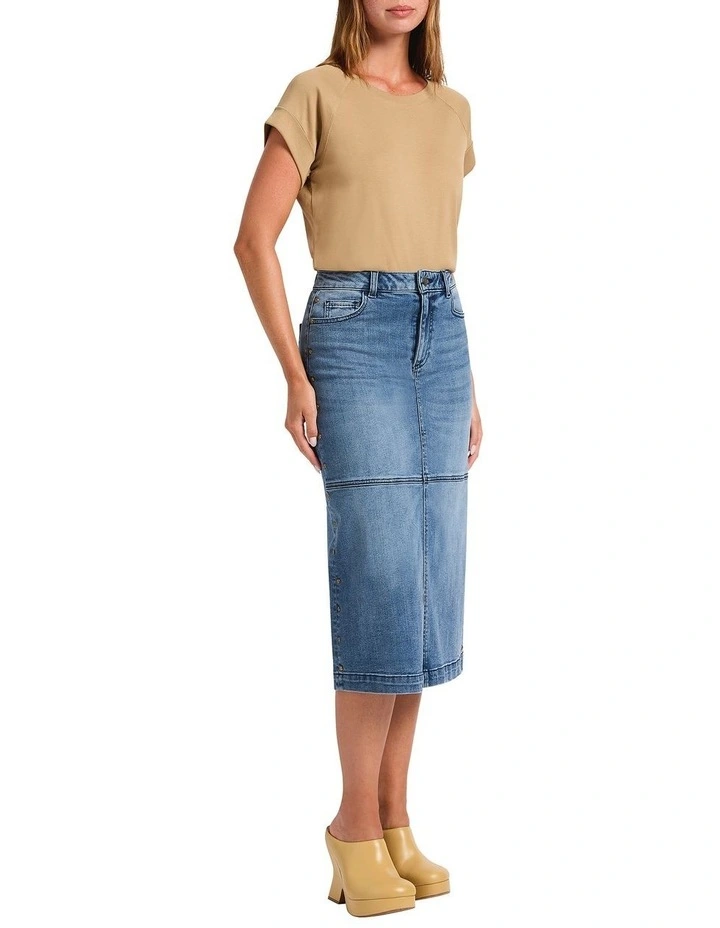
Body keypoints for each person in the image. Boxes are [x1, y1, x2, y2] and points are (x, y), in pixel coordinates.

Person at [234, 0, 482, 917]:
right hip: (353, 333)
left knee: (426, 589)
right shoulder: (316, 94)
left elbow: (434, 249)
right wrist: (294, 376)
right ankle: (351, 826)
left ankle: (393, 819)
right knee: (381, 582)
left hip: (442, 338)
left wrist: (467, 385)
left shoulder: (452, 110)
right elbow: (252, 240)